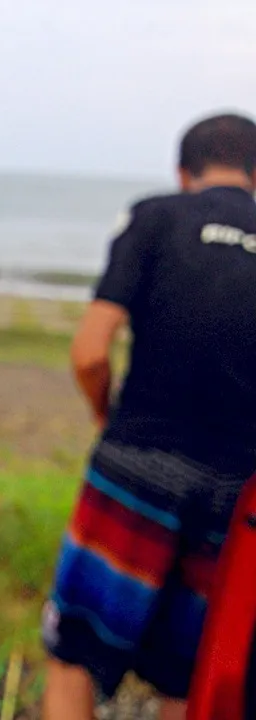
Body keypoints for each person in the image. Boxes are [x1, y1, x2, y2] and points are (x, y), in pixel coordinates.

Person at [42, 112, 256, 720]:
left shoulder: (156, 216)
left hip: (136, 463)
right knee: (186, 676)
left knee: (74, 652)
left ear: (183, 171)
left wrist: (104, 417)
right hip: (236, 488)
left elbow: (89, 352)